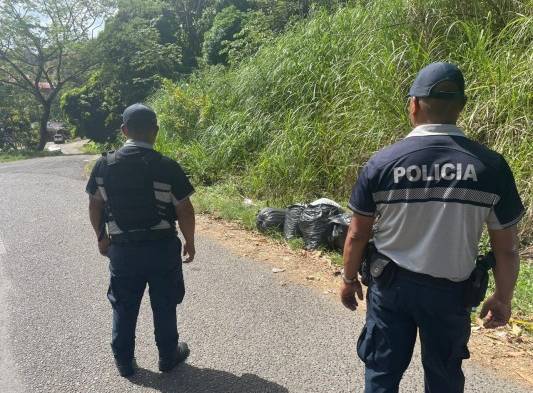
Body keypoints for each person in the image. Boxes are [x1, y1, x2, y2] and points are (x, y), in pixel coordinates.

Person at [340, 62, 524, 393]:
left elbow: (357, 234)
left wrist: (349, 279)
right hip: (451, 295)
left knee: (381, 375)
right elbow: (507, 248)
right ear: (461, 107)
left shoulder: (383, 163)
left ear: (413, 105)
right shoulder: (491, 168)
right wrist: (503, 297)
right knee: (444, 379)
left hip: (391, 289)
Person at [86, 103, 196, 377]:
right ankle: (168, 355)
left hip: (123, 251)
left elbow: (95, 205)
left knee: (123, 305)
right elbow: (184, 208)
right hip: (162, 249)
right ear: (155, 131)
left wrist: (101, 237)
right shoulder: (167, 166)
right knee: (165, 302)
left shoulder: (104, 165)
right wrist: (189, 241)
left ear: (124, 130)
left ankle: (124, 362)